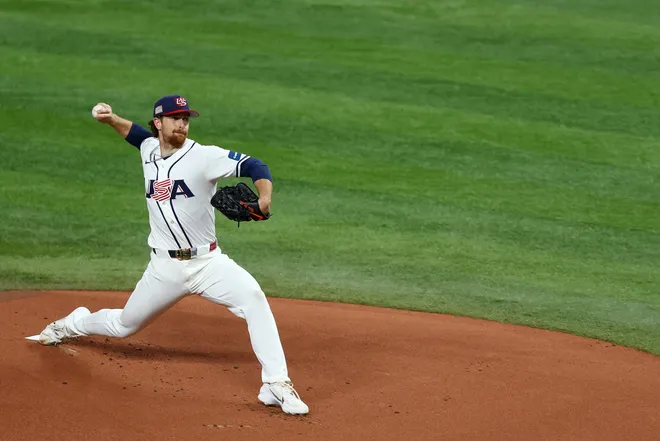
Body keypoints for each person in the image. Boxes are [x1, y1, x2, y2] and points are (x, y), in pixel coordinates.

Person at [30, 94, 309, 415]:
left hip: (208, 263)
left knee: (254, 299)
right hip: (164, 267)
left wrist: (265, 197)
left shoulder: (204, 157)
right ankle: (75, 323)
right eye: (175, 118)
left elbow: (255, 165)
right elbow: (135, 136)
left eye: (186, 119)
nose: (182, 124)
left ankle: (276, 384)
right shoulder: (149, 149)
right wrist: (111, 119)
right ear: (159, 123)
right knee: (124, 325)